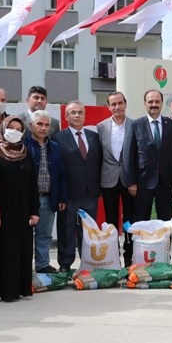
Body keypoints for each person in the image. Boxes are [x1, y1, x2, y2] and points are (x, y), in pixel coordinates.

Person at [0, 115, 39, 302]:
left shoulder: (26, 152)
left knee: (20, 249)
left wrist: (34, 210)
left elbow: (32, 184)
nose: (14, 131)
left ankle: (18, 288)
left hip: (21, 210)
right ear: (3, 128)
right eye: (11, 127)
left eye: (19, 129)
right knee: (0, 249)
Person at [54, 100, 102, 272]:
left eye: (80, 112)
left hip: (90, 192)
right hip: (68, 193)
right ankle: (65, 263)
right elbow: (57, 168)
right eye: (73, 112)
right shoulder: (58, 138)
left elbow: (98, 163)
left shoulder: (94, 137)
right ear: (66, 116)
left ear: (84, 115)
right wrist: (59, 194)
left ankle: (87, 261)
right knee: (66, 228)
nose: (77, 115)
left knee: (88, 230)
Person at [122, 89, 172, 222]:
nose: (154, 104)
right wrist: (131, 182)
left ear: (161, 103)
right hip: (142, 182)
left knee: (166, 220)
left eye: (157, 101)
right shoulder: (135, 125)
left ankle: (165, 244)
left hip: (166, 182)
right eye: (150, 101)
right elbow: (128, 155)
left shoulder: (171, 125)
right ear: (145, 104)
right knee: (141, 219)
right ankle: (141, 244)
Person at [24, 110, 67, 273]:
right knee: (26, 236)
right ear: (30, 126)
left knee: (45, 234)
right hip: (28, 199)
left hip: (49, 197)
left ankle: (42, 264)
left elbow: (61, 173)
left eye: (47, 125)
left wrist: (61, 197)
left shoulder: (54, 147)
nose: (43, 128)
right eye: (39, 124)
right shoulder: (23, 145)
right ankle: (25, 266)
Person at [98, 91, 135, 266]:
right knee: (111, 221)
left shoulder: (135, 125)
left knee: (129, 220)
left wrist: (134, 180)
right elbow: (98, 156)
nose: (117, 107)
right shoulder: (101, 127)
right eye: (113, 104)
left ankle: (129, 256)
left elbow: (138, 156)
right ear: (108, 107)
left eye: (120, 103)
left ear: (125, 104)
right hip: (108, 180)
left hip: (129, 182)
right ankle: (113, 257)